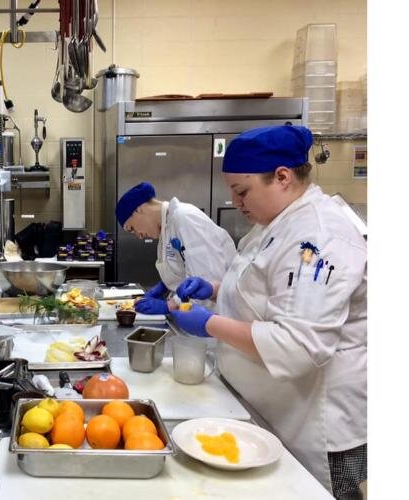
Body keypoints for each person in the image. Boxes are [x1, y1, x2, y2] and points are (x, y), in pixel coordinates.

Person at [170, 125, 367, 499]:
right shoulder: (276, 223)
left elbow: (298, 346)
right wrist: (213, 290)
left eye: (242, 191)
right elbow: (268, 291)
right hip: (274, 403)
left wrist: (209, 324)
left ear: (282, 177)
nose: (236, 202)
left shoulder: (318, 239)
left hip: (318, 421)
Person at [115, 182, 236, 314]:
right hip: (191, 314)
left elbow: (207, 279)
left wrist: (169, 305)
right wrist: (166, 285)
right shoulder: (166, 227)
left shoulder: (185, 218)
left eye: (132, 228)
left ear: (138, 209)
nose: (138, 235)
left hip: (212, 317)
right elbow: (183, 268)